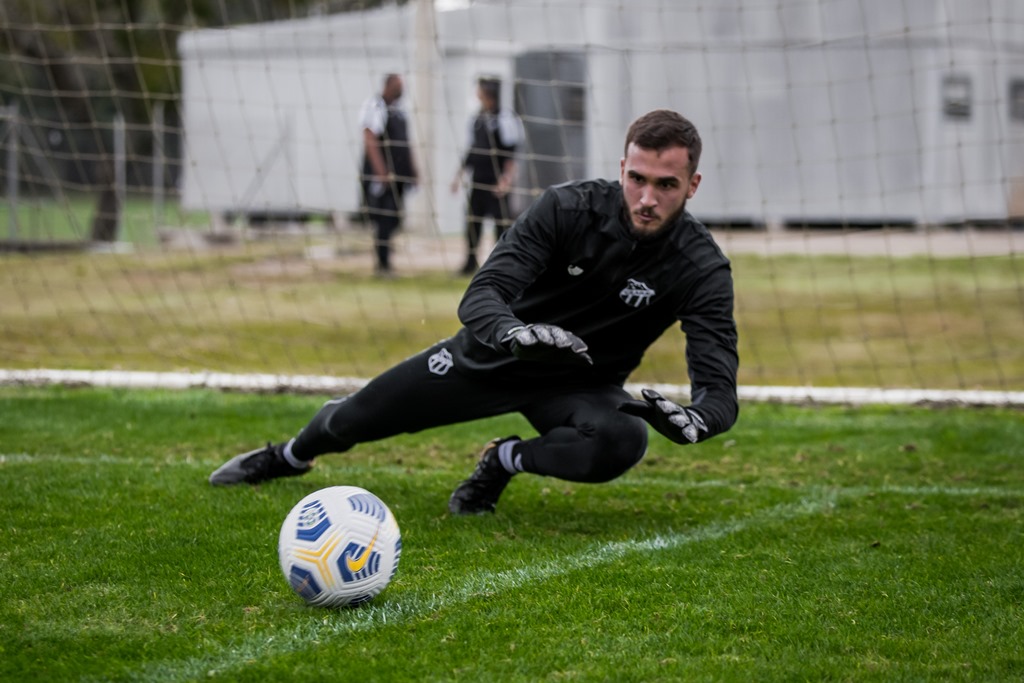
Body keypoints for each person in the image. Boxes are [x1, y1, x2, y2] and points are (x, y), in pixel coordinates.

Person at [210, 109, 739, 517]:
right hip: (489, 358)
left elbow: (719, 391)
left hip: (579, 386)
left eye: (665, 185)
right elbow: (481, 295)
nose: (646, 197)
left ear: (692, 186)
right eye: (637, 178)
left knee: (624, 440)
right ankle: (288, 457)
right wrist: (517, 334)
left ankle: (503, 461)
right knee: (350, 420)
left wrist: (699, 420)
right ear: (622, 168)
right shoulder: (566, 208)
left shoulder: (701, 267)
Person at [450, 76, 525, 276]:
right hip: (478, 180)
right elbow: (472, 151)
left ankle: (502, 266)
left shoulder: (506, 118)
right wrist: (458, 176)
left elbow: (511, 153)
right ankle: (469, 263)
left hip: (497, 183)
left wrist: (506, 180)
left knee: (501, 225)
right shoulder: (478, 118)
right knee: (473, 223)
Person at [359, 73, 419, 276]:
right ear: (388, 85)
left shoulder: (400, 110)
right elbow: (370, 138)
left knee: (395, 219)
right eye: (398, 85)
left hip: (400, 178)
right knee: (383, 220)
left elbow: (406, 143)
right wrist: (381, 172)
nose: (401, 89)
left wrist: (414, 170)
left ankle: (386, 258)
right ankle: (382, 264)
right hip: (383, 178)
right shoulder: (375, 105)